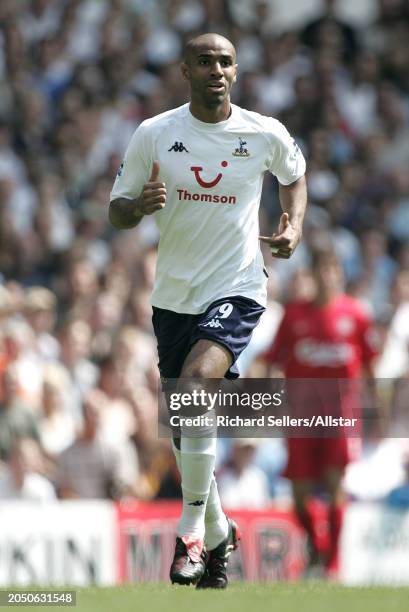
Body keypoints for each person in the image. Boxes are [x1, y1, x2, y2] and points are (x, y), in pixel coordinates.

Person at [109, 33, 307, 588]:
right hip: (173, 297)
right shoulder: (156, 134)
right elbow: (117, 209)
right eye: (204, 61)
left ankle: (191, 533)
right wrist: (137, 207)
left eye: (224, 61)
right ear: (185, 71)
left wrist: (294, 224)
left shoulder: (263, 132)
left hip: (238, 286)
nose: (215, 69)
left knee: (197, 385)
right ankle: (221, 530)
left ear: (236, 72)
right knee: (184, 422)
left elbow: (295, 177)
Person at [261, 244, 379, 575]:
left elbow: (371, 367)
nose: (328, 277)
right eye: (322, 271)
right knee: (299, 495)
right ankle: (316, 544)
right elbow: (273, 360)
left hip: (341, 415)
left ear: (340, 275)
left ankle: (331, 564)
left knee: (334, 485)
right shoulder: (295, 315)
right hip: (301, 416)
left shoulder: (355, 316)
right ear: (313, 275)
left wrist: (377, 413)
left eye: (334, 270)